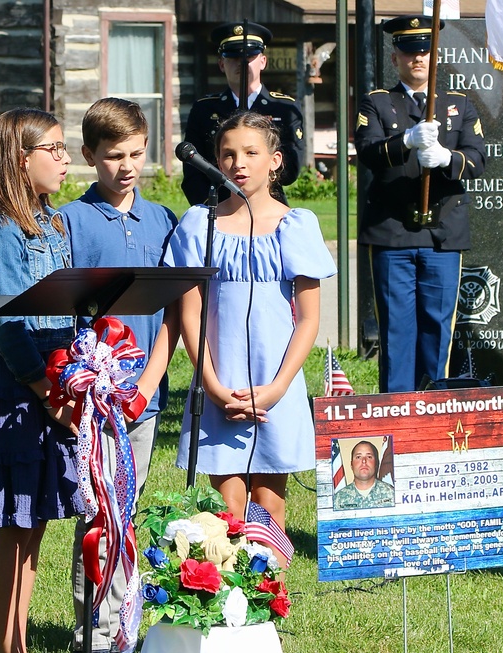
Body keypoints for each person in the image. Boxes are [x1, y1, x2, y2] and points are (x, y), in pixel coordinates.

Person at [166, 112, 335, 563]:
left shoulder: (294, 225)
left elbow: (308, 320)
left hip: (274, 386)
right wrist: (213, 387)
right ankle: (222, 612)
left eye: (251, 153)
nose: (238, 163)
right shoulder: (199, 226)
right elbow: (190, 312)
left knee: (268, 508)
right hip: (221, 384)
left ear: (275, 161)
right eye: (227, 154)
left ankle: (265, 613)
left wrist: (278, 387)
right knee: (227, 512)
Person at [0, 108, 80, 653]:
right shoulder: (0, 229)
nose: (65, 157)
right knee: (13, 521)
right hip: (16, 386)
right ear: (19, 158)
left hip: (54, 383)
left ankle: (19, 641)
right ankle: (6, 646)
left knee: (34, 525)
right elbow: (7, 322)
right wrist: (46, 391)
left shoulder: (50, 220)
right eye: (53, 148)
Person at [60, 97, 180, 653]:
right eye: (113, 156)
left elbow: (177, 311)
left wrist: (151, 383)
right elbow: (59, 312)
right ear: (89, 156)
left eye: (136, 152)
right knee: (97, 514)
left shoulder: (162, 220)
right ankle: (96, 631)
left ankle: (125, 626)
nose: (127, 166)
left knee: (128, 511)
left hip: (143, 396)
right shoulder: (69, 222)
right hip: (92, 400)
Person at [355, 14, 486, 393]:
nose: (417, 60)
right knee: (396, 330)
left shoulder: (458, 105)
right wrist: (406, 142)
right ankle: (397, 411)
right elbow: (368, 151)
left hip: (442, 235)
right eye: (409, 52)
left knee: (437, 328)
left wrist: (448, 159)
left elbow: (477, 159)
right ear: (395, 56)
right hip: (393, 233)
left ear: (435, 56)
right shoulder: (378, 103)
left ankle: (431, 409)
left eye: (425, 52)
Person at [181, 20, 304, 206]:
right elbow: (193, 172)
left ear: (263, 61)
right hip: (218, 207)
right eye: (234, 58)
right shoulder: (204, 109)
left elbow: (290, 170)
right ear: (221, 64)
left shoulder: (283, 108)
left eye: (250, 57)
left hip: (268, 207)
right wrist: (211, 207)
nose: (242, 63)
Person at [332, 440, 395, 510]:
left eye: (369, 457)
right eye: (358, 457)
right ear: (351, 465)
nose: (364, 461)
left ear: (376, 463)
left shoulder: (392, 494)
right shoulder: (338, 499)